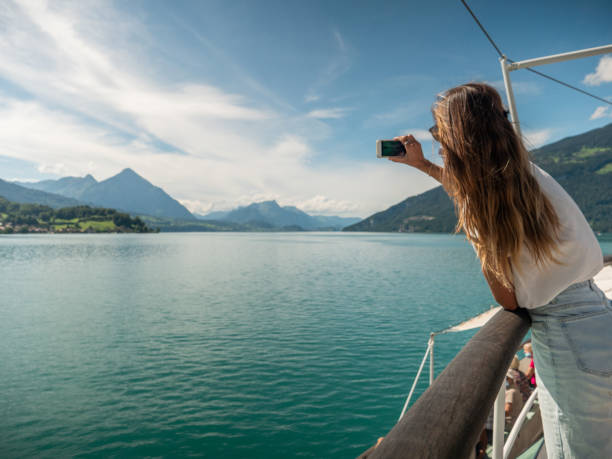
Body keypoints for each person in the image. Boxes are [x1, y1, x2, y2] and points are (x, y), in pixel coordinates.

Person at [389, 82, 611, 457]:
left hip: (565, 339)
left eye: (438, 132)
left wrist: (479, 244)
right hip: (596, 318)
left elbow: (507, 299)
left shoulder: (488, 199)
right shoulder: (523, 174)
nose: (437, 142)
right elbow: (471, 191)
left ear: (459, 135)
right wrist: (424, 165)